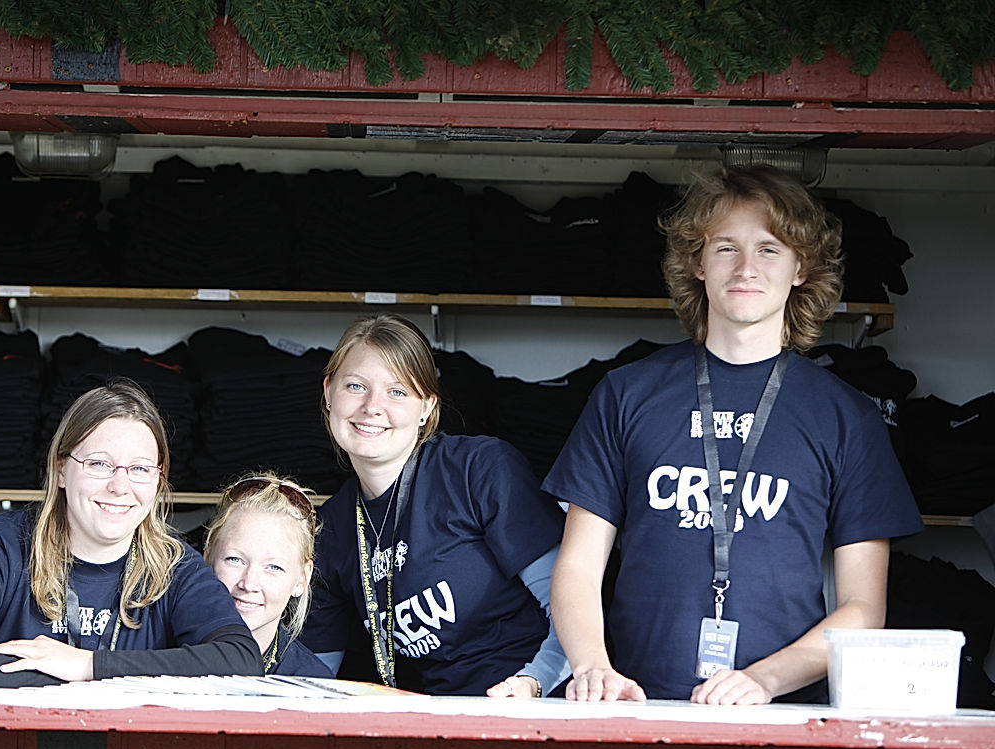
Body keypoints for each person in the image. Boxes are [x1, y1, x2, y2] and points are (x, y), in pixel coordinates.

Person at [545, 165, 923, 705]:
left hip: (784, 710)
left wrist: (765, 679)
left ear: (800, 267)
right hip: (634, 699)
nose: (746, 268)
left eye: (769, 249)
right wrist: (593, 668)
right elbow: (578, 566)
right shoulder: (625, 393)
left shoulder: (846, 416)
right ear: (698, 263)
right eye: (726, 248)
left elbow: (863, 608)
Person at [300, 313, 569, 697]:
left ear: (426, 406)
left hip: (536, 705)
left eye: (397, 392)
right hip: (435, 717)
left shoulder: (478, 469)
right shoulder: (330, 529)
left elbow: (574, 608)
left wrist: (533, 683)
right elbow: (315, 677)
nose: (372, 407)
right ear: (328, 393)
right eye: (356, 386)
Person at [0, 378, 261, 687]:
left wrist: (89, 666)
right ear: (61, 470)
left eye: (140, 469)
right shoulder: (0, 548)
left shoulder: (177, 567)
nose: (119, 487)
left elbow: (240, 661)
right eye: (99, 464)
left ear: (158, 480)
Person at [203, 473, 334, 677]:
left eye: (273, 567)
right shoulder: (160, 647)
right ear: (207, 557)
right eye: (235, 559)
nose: (249, 583)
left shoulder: (312, 682)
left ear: (302, 578)